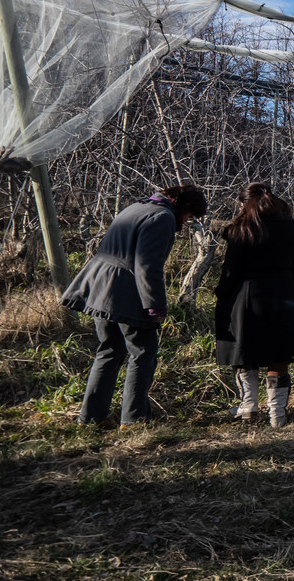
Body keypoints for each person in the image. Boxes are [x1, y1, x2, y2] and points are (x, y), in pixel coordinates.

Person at [63, 183, 207, 428]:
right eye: (190, 216)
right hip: (126, 291)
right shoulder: (162, 218)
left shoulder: (136, 208)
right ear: (184, 207)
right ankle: (134, 420)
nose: (186, 222)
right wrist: (155, 306)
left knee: (109, 351)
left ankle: (91, 419)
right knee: (143, 352)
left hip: (100, 286)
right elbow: (148, 265)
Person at [213, 183, 294, 427]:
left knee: (246, 353)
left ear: (245, 203)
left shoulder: (241, 228)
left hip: (246, 297)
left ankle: (248, 407)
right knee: (279, 356)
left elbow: (230, 270)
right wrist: (290, 291)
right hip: (282, 295)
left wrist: (222, 294)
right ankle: (277, 415)